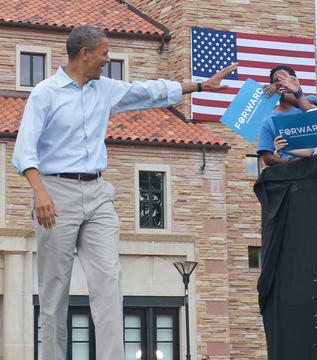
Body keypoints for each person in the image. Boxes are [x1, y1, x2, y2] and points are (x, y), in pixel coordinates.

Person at [10, 25, 237, 360]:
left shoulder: (106, 89)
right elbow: (24, 151)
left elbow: (150, 91)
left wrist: (202, 85)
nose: (108, 58)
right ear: (84, 53)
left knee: (108, 281)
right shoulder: (45, 94)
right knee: (54, 290)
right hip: (55, 192)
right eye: (104, 52)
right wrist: (40, 193)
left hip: (98, 192)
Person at [256, 65, 317, 166]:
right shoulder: (269, 120)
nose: (281, 83)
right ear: (271, 85)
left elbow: (308, 107)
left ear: (294, 81)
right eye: (277, 80)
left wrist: (281, 94)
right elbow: (267, 158)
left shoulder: (310, 100)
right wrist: (293, 163)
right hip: (290, 172)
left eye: (285, 79)